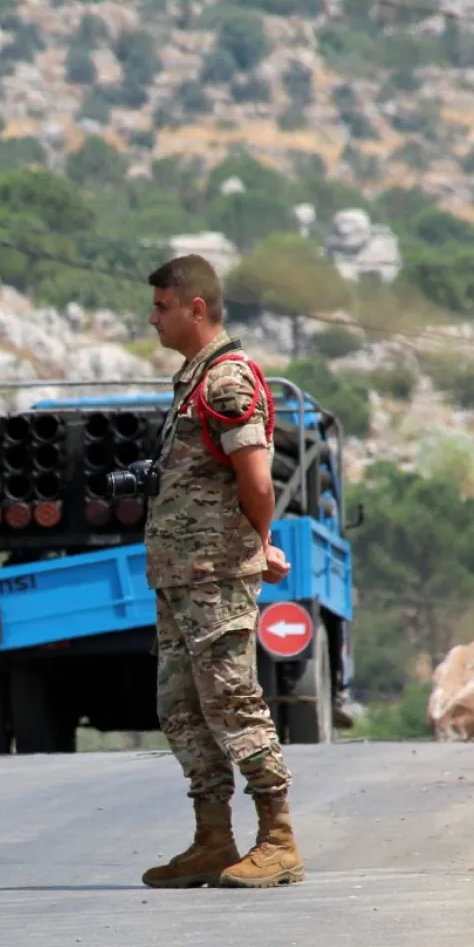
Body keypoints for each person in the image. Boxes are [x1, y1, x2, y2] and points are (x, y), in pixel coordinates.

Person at [139, 254, 305, 891]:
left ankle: (279, 838)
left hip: (215, 573)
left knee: (232, 700)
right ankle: (214, 839)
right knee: (183, 707)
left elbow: (256, 479)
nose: (153, 319)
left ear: (195, 308)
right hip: (182, 575)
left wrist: (261, 540)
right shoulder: (194, 379)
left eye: (162, 307)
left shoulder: (226, 381)